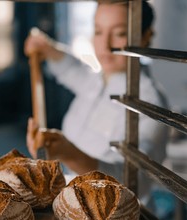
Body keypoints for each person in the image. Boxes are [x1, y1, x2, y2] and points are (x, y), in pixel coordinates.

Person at [24, 1, 168, 201]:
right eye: (98, 31)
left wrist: (70, 154)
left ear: (146, 37)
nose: (104, 45)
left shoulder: (151, 104)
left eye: (119, 33)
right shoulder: (98, 79)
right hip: (71, 203)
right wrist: (46, 46)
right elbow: (71, 69)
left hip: (116, 219)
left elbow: (135, 182)